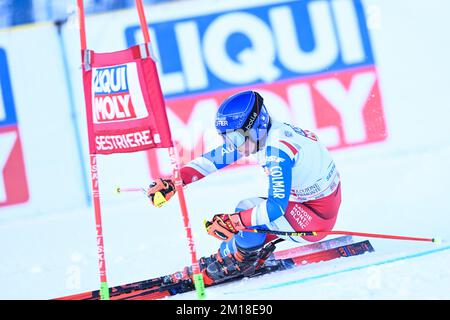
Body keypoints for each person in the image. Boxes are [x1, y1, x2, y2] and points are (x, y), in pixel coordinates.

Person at [147, 91, 341, 285]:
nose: (234, 146)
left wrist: (235, 221)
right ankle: (232, 255)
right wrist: (175, 181)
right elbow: (213, 160)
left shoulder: (277, 151)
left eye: (236, 139)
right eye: (227, 138)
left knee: (245, 208)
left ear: (256, 126)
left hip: (314, 221)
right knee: (236, 238)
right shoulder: (261, 136)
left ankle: (243, 262)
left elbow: (276, 208)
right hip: (309, 207)